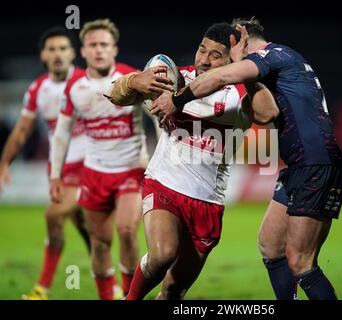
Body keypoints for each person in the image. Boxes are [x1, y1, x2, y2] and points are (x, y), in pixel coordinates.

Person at [150, 17, 342, 300]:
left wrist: (176, 100)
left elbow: (223, 79)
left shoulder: (269, 55)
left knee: (301, 262)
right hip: (301, 166)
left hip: (315, 164)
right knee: (270, 245)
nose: (210, 59)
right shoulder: (286, 57)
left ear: (239, 38)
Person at [105, 22, 278, 300]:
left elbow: (268, 113)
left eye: (215, 55)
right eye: (201, 50)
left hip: (207, 201)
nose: (204, 60)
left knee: (174, 290)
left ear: (230, 58)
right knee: (162, 255)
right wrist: (134, 81)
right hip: (164, 184)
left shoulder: (240, 92)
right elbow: (114, 95)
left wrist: (245, 70)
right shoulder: (175, 79)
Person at [49, 19, 168, 300]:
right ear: (84, 51)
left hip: (131, 170)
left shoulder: (134, 78)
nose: (99, 50)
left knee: (127, 230)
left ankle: (129, 294)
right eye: (93, 45)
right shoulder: (74, 88)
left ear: (114, 49)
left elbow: (159, 119)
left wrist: (165, 156)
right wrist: (55, 175)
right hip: (95, 173)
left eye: (104, 44)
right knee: (100, 243)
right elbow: (61, 134)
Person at [0, 27, 90, 300]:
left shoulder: (88, 81)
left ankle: (42, 289)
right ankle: (115, 282)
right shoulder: (38, 89)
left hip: (90, 166)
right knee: (88, 229)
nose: (58, 54)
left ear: (73, 53)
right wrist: (4, 162)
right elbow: (22, 130)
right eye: (52, 49)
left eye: (63, 48)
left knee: (54, 215)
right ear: (43, 55)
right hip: (60, 170)